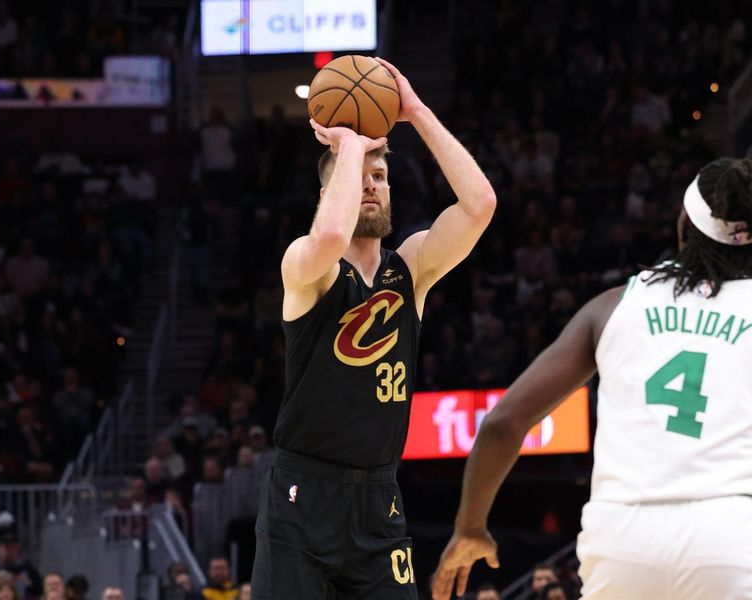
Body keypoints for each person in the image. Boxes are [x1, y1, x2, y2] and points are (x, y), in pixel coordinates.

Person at [432, 157, 752, 600]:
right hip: (730, 533)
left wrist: (470, 526)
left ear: (685, 223)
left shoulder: (615, 305)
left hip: (622, 538)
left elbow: (504, 423)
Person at [251, 57, 497, 599]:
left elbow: (480, 205)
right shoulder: (306, 266)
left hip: (378, 498)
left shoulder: (409, 268)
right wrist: (352, 147)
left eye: (380, 177)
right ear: (327, 195)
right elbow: (333, 236)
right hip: (301, 497)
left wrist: (414, 111)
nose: (370, 186)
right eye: (358, 179)